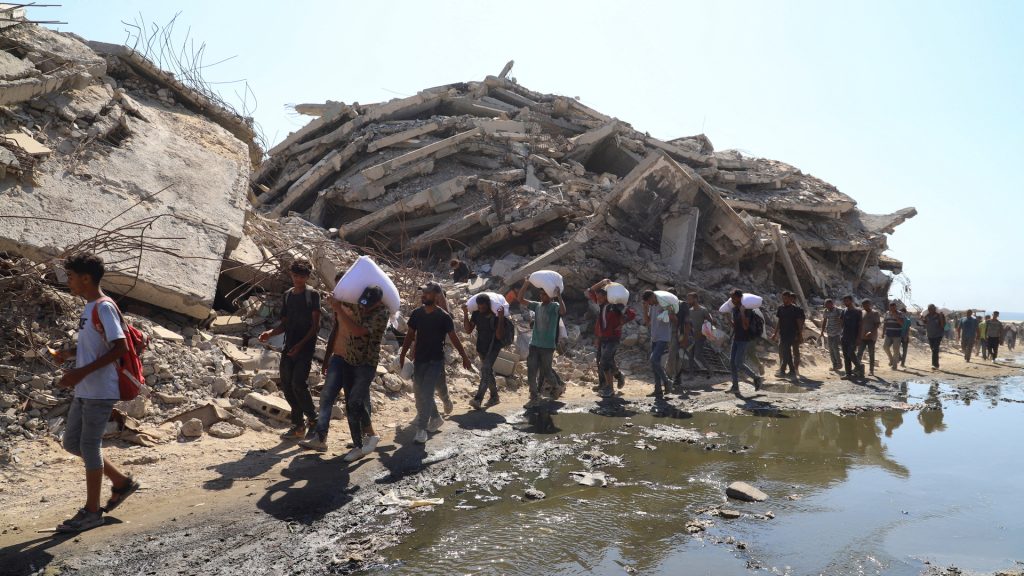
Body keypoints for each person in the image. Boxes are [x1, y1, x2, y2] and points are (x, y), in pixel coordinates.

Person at [55, 253, 140, 532]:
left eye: (70, 277)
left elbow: (120, 348)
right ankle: (121, 483)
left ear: (86, 278)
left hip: (99, 390)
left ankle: (92, 513)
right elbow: (97, 346)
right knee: (72, 444)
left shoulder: (103, 307)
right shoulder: (89, 307)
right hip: (85, 388)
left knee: (89, 446)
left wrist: (79, 372)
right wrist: (68, 354)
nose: (68, 282)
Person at [301, 287, 389, 462]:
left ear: (378, 302)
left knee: (356, 401)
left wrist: (339, 309)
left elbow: (357, 331)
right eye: (363, 304)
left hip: (366, 364)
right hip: (349, 360)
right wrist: (334, 301)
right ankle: (359, 444)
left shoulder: (381, 313)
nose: (364, 308)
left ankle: (369, 435)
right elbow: (341, 302)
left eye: (368, 306)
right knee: (351, 404)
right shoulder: (360, 305)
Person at [400, 282, 472, 444]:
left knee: (427, 392)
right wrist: (403, 354)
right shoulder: (416, 314)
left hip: (435, 360)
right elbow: (410, 335)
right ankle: (437, 416)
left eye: (427, 293)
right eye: (423, 293)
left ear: (437, 296)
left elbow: (454, 338)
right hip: (419, 360)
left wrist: (464, 356)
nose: (423, 295)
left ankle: (421, 429)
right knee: (420, 394)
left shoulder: (443, 317)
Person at [260, 259, 320, 440]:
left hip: (305, 347)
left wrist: (300, 346)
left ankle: (314, 421)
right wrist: (270, 333)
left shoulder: (313, 295)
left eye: (301, 276)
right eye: (295, 276)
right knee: (286, 385)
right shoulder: (287, 295)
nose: (298, 280)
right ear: (291, 275)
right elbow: (284, 324)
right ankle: (298, 425)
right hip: (289, 346)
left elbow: (315, 327)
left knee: (298, 384)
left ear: (307, 277)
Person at [518, 278, 565, 406]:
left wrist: (559, 295)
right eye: (540, 294)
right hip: (534, 345)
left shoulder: (554, 306)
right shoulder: (537, 305)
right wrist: (526, 283)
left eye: (544, 294)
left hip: (547, 346)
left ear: (550, 295)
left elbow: (563, 311)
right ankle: (534, 396)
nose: (542, 296)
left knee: (547, 371)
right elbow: (520, 299)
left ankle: (557, 386)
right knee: (531, 371)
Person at [588, 279, 636, 398]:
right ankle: (609, 381)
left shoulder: (615, 307)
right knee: (602, 361)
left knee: (605, 362)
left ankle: (610, 389)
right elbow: (590, 291)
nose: (597, 299)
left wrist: (622, 322)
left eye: (600, 297)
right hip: (603, 338)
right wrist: (602, 282)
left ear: (606, 296)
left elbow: (631, 314)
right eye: (597, 297)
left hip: (613, 339)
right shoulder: (602, 305)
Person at [463, 294, 512, 410]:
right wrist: (465, 313)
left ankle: (478, 399)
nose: (481, 310)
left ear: (488, 306)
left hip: (493, 346)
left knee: (485, 369)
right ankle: (494, 396)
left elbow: (499, 336)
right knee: (487, 371)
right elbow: (468, 330)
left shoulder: (495, 316)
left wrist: (500, 317)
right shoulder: (476, 314)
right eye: (479, 307)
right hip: (481, 347)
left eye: (483, 307)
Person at [726, 289, 764, 393]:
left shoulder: (747, 310)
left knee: (738, 362)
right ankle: (735, 387)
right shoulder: (734, 309)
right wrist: (728, 319)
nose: (732, 300)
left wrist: (742, 313)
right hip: (736, 338)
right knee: (732, 363)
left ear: (739, 298)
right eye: (731, 298)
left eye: (734, 297)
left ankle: (756, 377)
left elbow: (745, 326)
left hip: (744, 339)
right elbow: (735, 326)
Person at [641, 290, 677, 397]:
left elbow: (675, 320)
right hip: (654, 338)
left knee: (653, 359)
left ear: (653, 296)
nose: (649, 303)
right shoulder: (652, 306)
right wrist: (645, 309)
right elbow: (647, 322)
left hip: (663, 337)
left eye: (649, 301)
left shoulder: (664, 305)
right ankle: (658, 389)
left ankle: (667, 381)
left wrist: (670, 313)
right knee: (654, 363)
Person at [771, 291, 805, 380]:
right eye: (783, 298)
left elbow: (799, 323)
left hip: (792, 334)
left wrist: (800, 335)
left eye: (786, 298)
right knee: (786, 352)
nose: (784, 300)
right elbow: (779, 321)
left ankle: (783, 370)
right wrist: (775, 333)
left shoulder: (795, 309)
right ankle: (792, 371)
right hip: (783, 333)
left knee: (787, 351)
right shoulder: (780, 308)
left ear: (790, 299)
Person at [680, 292, 712, 381]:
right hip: (691, 337)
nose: (688, 301)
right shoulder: (689, 311)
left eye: (690, 299)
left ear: (696, 299)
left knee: (698, 355)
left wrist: (705, 330)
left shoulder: (703, 310)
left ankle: (709, 370)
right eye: (687, 299)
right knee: (690, 356)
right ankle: (691, 375)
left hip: (701, 337)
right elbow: (688, 324)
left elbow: (711, 322)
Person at [839, 295, 864, 379]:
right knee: (846, 355)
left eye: (847, 301)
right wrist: (841, 334)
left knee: (851, 353)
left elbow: (860, 325)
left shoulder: (858, 311)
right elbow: (841, 323)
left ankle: (860, 367)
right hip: (844, 336)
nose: (845, 302)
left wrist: (859, 338)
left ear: (851, 301)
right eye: (844, 301)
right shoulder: (844, 311)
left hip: (853, 337)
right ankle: (848, 374)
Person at [856, 299, 881, 376]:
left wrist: (871, 332)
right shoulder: (862, 312)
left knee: (871, 354)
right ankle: (857, 368)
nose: (865, 306)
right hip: (862, 337)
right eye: (863, 305)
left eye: (866, 305)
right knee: (859, 353)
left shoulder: (875, 313)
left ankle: (871, 370)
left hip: (871, 337)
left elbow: (877, 324)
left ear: (869, 304)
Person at [819, 298, 843, 372]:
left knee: (835, 348)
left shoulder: (838, 310)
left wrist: (842, 331)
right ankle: (834, 365)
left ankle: (839, 364)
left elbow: (842, 321)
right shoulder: (826, 311)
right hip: (829, 332)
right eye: (825, 305)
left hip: (837, 332)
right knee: (831, 349)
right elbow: (825, 321)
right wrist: (822, 331)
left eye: (827, 305)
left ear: (831, 304)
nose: (826, 306)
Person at [882, 303, 905, 370]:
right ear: (889, 307)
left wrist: (896, 316)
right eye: (891, 308)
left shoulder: (900, 313)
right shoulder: (887, 313)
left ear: (895, 307)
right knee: (885, 347)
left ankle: (894, 366)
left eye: (893, 307)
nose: (892, 309)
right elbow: (885, 324)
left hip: (897, 335)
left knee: (896, 350)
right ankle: (891, 359)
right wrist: (883, 333)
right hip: (888, 334)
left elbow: (902, 323)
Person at [922, 304, 946, 370]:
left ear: (934, 309)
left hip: (938, 335)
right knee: (933, 349)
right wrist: (922, 318)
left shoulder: (940, 315)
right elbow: (924, 323)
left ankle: (934, 364)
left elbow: (943, 325)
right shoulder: (927, 316)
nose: (930, 310)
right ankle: (936, 364)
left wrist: (941, 317)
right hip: (930, 335)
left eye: (931, 309)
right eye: (929, 309)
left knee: (935, 349)